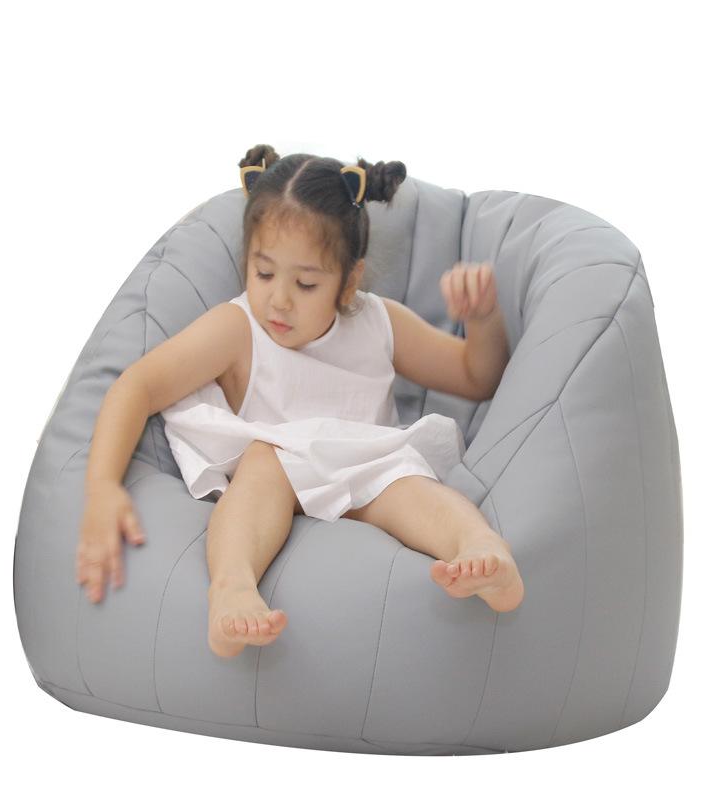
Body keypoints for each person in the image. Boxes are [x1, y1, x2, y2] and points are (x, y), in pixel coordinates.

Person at [76, 143, 525, 660]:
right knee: (264, 462)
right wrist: (102, 487)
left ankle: (482, 549)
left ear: (348, 282)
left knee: (410, 481)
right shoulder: (237, 328)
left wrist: (483, 318)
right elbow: (137, 385)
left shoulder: (378, 322)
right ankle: (232, 588)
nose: (279, 300)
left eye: (306, 283)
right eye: (264, 273)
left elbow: (475, 376)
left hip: (365, 472)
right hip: (276, 480)